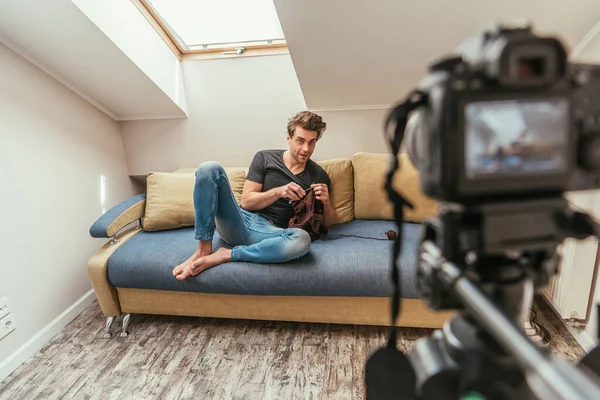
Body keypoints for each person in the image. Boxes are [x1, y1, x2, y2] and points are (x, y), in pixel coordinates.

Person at [172, 111, 335, 280]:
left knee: (302, 239)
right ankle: (204, 249)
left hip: (270, 234)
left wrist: (327, 202)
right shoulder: (265, 158)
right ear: (289, 138)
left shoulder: (318, 175)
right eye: (300, 141)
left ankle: (227, 254)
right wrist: (279, 191)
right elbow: (247, 202)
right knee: (209, 168)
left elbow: (328, 223)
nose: (306, 149)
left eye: (312, 142)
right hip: (239, 221)